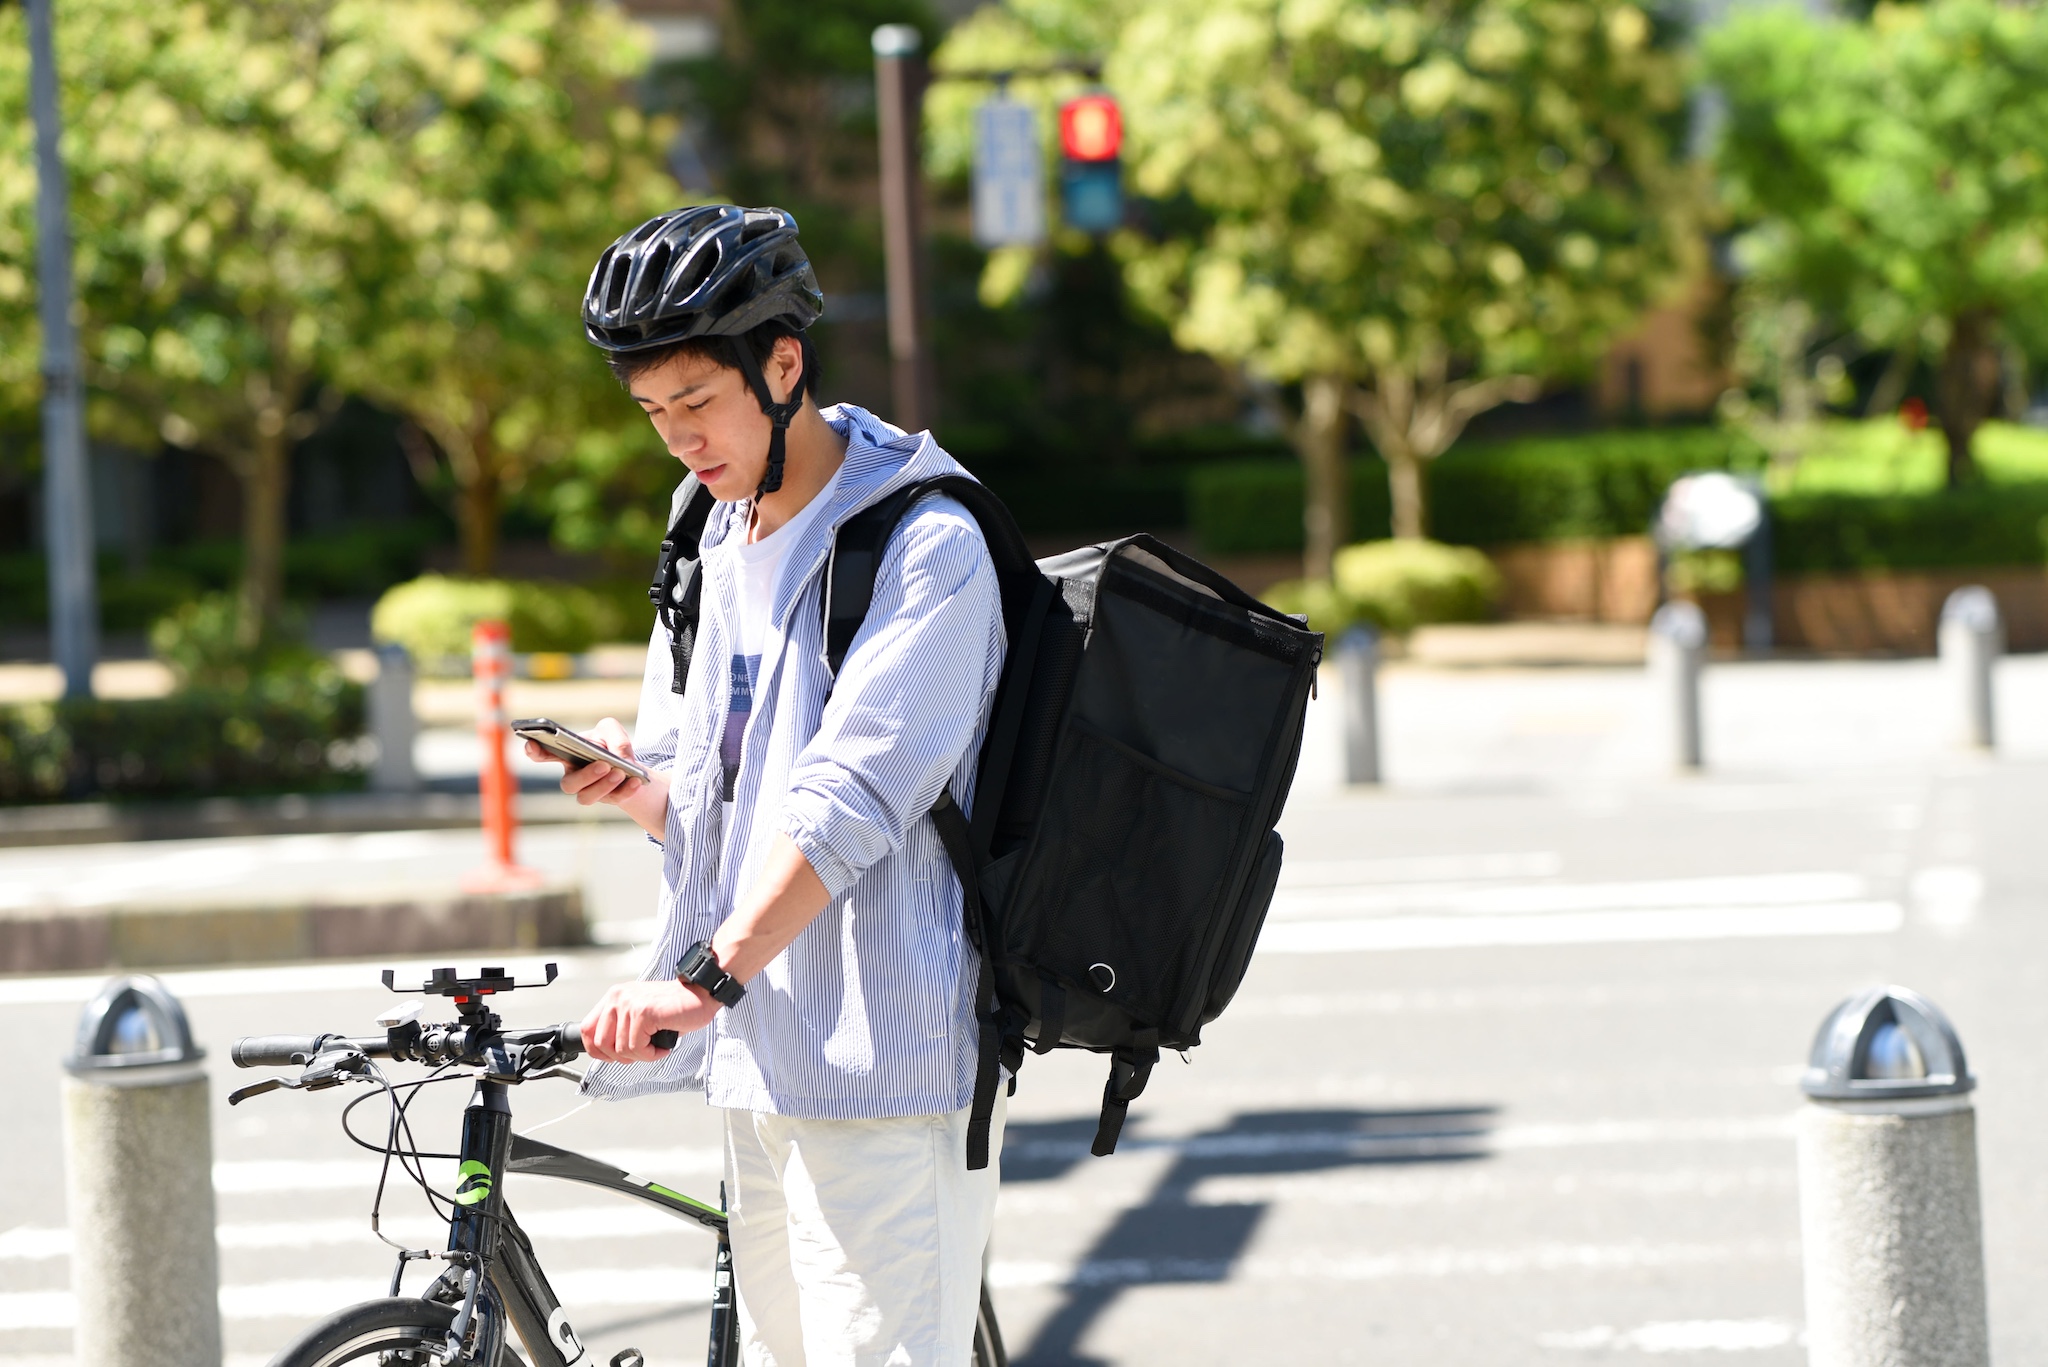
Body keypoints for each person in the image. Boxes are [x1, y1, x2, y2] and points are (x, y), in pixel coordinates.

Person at [523, 204, 1007, 1366]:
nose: (678, 439)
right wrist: (641, 790)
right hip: (757, 1054)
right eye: (653, 412)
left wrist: (702, 977)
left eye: (696, 401)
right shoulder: (708, 531)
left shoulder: (924, 543)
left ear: (782, 365)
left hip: (881, 1065)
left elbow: (848, 802)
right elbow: (731, 791)